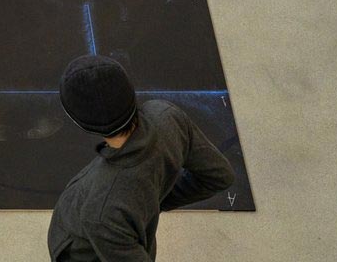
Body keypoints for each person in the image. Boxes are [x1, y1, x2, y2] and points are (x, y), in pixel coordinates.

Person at [49, 55, 235, 261]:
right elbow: (220, 175)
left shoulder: (101, 212)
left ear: (82, 124)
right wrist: (150, 203)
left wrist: (146, 205)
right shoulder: (167, 115)